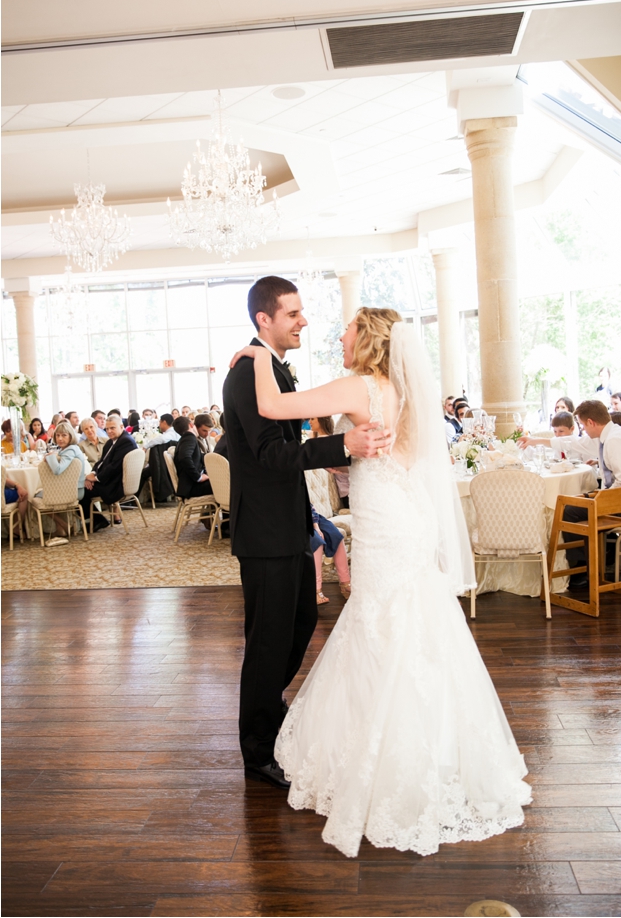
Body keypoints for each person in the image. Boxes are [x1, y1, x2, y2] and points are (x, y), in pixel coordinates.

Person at [232, 301, 531, 858]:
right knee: (415, 624)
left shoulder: (359, 387)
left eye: (345, 329)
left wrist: (253, 355)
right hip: (406, 519)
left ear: (365, 339)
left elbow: (272, 404)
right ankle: (439, 750)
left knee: (383, 626)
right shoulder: (407, 391)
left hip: (387, 526)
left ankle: (388, 756)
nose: (336, 334)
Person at [224, 276, 389, 793]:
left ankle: (272, 718)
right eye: (293, 314)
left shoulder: (269, 368)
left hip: (290, 526)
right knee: (269, 642)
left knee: (295, 630)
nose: (304, 322)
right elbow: (272, 455)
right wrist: (345, 444)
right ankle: (258, 750)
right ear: (264, 320)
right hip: (266, 533)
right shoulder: (247, 374)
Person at [520, 400, 621, 589]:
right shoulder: (608, 436)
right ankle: (595, 560)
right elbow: (573, 442)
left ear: (591, 422)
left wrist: (600, 497)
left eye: (583, 425)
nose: (583, 430)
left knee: (569, 511)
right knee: (575, 504)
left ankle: (582, 570)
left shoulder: (616, 440)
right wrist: (535, 441)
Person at [79, 415, 138, 528]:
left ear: (121, 426)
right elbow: (101, 462)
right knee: (82, 485)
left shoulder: (125, 442)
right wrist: (92, 473)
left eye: (112, 428)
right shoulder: (111, 442)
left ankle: (98, 520)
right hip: (110, 480)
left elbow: (114, 467)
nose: (109, 431)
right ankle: (98, 520)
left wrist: (96, 479)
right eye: (107, 429)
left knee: (79, 491)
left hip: (115, 484)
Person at [38, 421, 87, 537]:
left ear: (71, 436)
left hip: (74, 491)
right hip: (75, 489)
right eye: (58, 435)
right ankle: (61, 529)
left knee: (35, 497)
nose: (60, 438)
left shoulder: (70, 450)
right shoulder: (72, 448)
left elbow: (57, 470)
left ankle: (63, 524)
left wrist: (51, 456)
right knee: (50, 495)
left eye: (64, 435)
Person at [172, 415, 211, 498]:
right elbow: (185, 458)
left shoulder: (184, 438)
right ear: (191, 425)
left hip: (191, 485)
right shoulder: (189, 438)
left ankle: (210, 511)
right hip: (192, 486)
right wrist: (198, 477)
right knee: (224, 483)